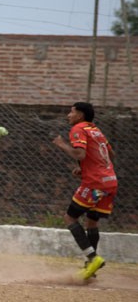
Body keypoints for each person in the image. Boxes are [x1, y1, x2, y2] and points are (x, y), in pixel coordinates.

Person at [52, 102, 117, 281]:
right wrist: (85, 168)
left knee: (70, 217)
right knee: (91, 222)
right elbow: (110, 156)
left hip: (94, 183)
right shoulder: (96, 130)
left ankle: (93, 258)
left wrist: (61, 144)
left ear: (80, 115)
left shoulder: (78, 129)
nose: (68, 115)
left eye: (71, 112)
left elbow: (79, 154)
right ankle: (91, 269)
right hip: (109, 182)